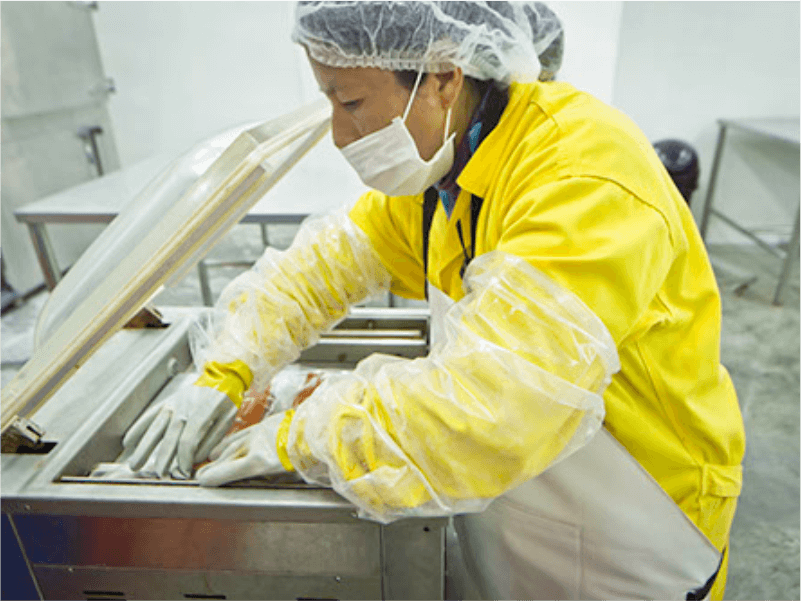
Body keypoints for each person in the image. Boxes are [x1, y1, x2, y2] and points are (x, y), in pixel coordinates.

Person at [123, 1, 745, 599]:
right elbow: (319, 269)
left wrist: (298, 439)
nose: (339, 134)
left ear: (444, 77)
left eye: (350, 102)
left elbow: (494, 412)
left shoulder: (584, 173)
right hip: (523, 510)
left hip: (636, 533)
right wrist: (224, 369)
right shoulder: (446, 172)